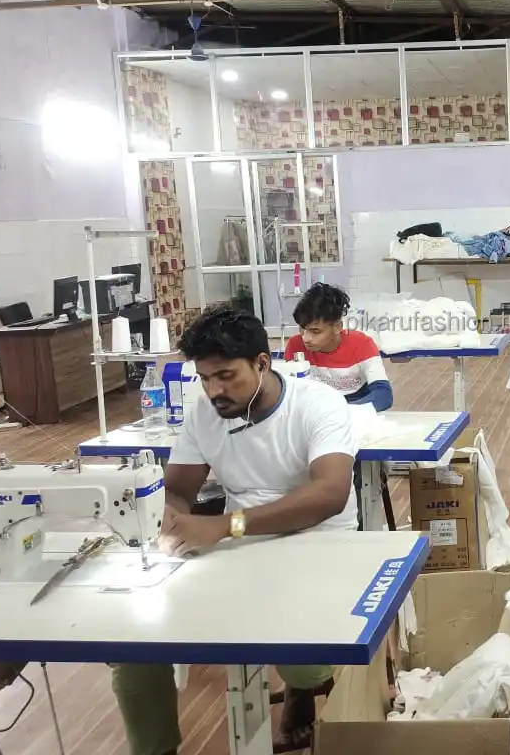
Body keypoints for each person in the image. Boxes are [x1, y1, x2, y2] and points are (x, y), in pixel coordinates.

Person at [111, 307, 362, 755]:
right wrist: (165, 519)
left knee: (307, 666)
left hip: (320, 542)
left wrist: (227, 524)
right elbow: (178, 491)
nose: (214, 391)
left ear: (262, 363)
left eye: (226, 376)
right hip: (240, 548)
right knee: (133, 646)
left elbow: (330, 494)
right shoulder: (205, 415)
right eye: (205, 379)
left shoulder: (318, 405)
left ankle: (302, 687)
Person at [283, 282, 393, 412]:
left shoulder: (362, 344)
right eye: (302, 329)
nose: (306, 338)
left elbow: (383, 394)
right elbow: (289, 393)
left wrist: (341, 412)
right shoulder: (295, 345)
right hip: (316, 411)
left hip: (356, 412)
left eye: (315, 331)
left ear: (337, 327)